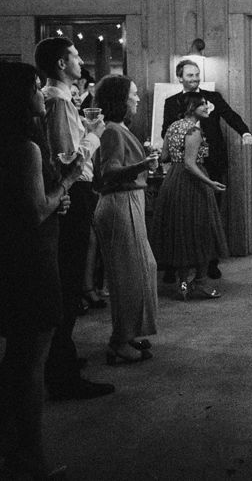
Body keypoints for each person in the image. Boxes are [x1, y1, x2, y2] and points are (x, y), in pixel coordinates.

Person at [0, 62, 82, 477]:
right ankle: (30, 455)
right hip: (31, 261)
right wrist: (66, 183)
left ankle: (5, 438)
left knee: (14, 357)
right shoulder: (25, 147)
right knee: (32, 359)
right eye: (36, 88)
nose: (42, 95)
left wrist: (52, 196)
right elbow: (36, 210)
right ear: (19, 98)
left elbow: (19, 202)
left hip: (3, 258)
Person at [34, 36, 115, 401]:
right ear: (61, 65)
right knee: (68, 281)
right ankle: (61, 372)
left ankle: (63, 356)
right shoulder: (58, 100)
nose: (82, 62)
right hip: (71, 192)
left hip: (71, 192)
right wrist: (94, 136)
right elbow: (67, 158)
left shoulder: (63, 100)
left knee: (68, 278)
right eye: (76, 57)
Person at [161, 60, 252, 278]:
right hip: (185, 166)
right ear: (180, 77)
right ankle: (177, 267)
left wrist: (245, 132)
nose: (194, 79)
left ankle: (210, 262)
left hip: (211, 163)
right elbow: (167, 130)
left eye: (196, 74)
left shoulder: (212, 98)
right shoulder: (171, 103)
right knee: (182, 217)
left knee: (210, 215)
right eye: (189, 75)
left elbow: (230, 116)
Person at [93, 75, 158, 363]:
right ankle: (118, 342)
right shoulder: (112, 131)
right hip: (120, 203)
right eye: (133, 94)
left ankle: (128, 334)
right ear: (120, 100)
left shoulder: (117, 129)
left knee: (142, 269)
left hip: (129, 200)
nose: (138, 99)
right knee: (127, 276)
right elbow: (109, 172)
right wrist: (144, 164)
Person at [152, 92, 228, 299]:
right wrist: (210, 183)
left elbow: (165, 156)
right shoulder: (194, 131)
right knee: (201, 230)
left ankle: (183, 283)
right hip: (193, 183)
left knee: (181, 231)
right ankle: (201, 283)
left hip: (173, 181)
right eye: (202, 105)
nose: (206, 107)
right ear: (191, 107)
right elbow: (190, 163)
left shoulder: (173, 127)